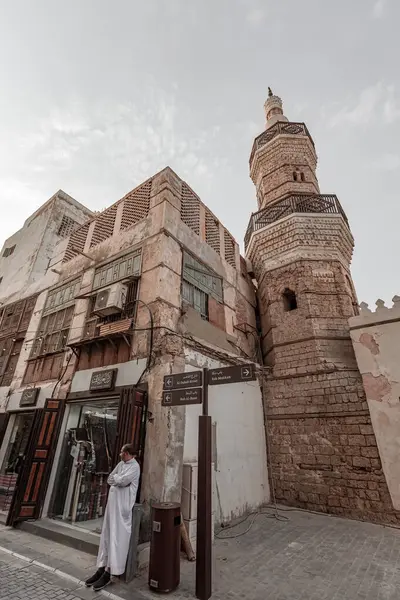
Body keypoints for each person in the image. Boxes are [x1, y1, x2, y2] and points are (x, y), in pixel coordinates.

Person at [85, 443, 140, 591]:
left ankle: (110, 572)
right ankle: (101, 568)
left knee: (117, 539)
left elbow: (122, 481)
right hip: (112, 508)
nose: (120, 454)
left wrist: (118, 479)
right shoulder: (121, 464)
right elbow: (111, 479)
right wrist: (118, 479)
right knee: (107, 537)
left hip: (122, 511)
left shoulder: (135, 467)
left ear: (128, 453)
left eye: (123, 452)